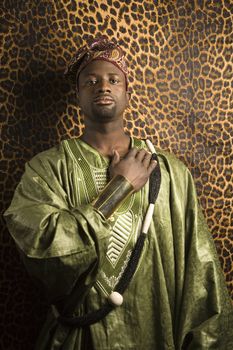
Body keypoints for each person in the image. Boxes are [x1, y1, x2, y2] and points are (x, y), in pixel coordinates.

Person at [4, 36, 233, 350]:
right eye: (91, 81)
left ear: (127, 93)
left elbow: (201, 279)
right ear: (78, 94)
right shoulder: (46, 169)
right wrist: (119, 187)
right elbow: (41, 252)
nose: (103, 86)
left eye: (114, 79)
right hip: (79, 339)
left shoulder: (169, 172)